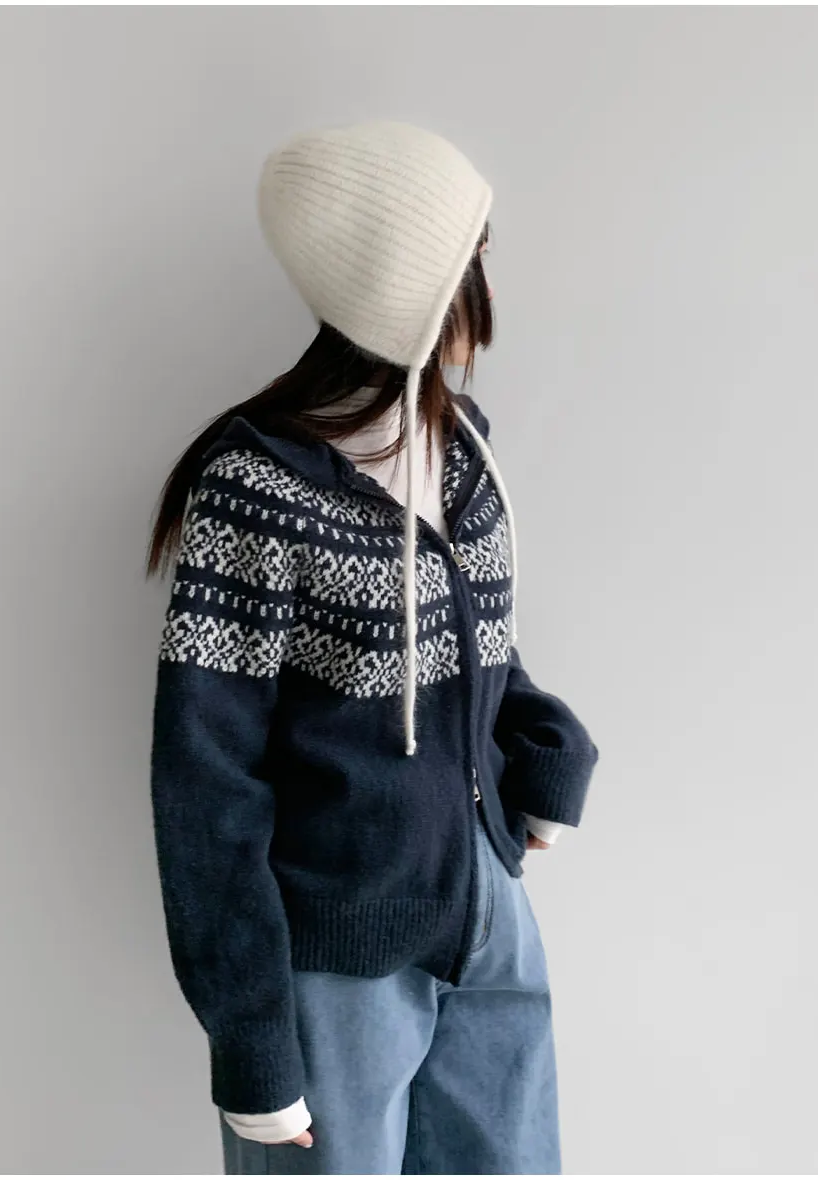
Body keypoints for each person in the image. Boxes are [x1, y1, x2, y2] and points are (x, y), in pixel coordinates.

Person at [145, 120, 599, 1175]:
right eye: (471, 262)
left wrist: (545, 748)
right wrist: (251, 1038)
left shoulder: (462, 449)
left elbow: (478, 654)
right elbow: (205, 785)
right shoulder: (257, 490)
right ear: (410, 286)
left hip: (490, 919)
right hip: (338, 959)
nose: (490, 289)